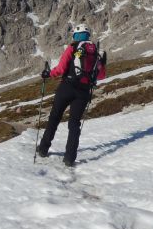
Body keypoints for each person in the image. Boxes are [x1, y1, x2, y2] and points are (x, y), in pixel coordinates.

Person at [37, 24, 106, 166]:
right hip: (84, 92)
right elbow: (101, 76)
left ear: (76, 35)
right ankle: (69, 158)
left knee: (54, 117)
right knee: (74, 124)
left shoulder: (73, 48)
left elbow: (61, 69)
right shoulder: (95, 52)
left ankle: (43, 149)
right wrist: (102, 64)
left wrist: (48, 74)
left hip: (67, 87)